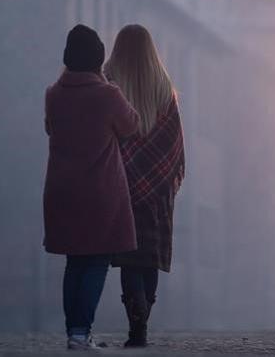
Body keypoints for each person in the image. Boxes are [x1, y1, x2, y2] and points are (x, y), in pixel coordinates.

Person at [44, 25, 141, 350]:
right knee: (96, 260)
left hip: (61, 190)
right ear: (99, 60)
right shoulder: (107, 94)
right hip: (99, 191)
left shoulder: (54, 94)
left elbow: (50, 128)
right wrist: (112, 86)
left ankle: (75, 330)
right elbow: (131, 125)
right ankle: (80, 332)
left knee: (75, 261)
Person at [103, 25, 186, 349]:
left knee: (129, 259)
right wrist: (161, 179)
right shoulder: (164, 87)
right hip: (158, 192)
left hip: (120, 186)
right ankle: (142, 323)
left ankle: (135, 324)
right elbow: (173, 144)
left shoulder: (110, 82)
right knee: (149, 259)